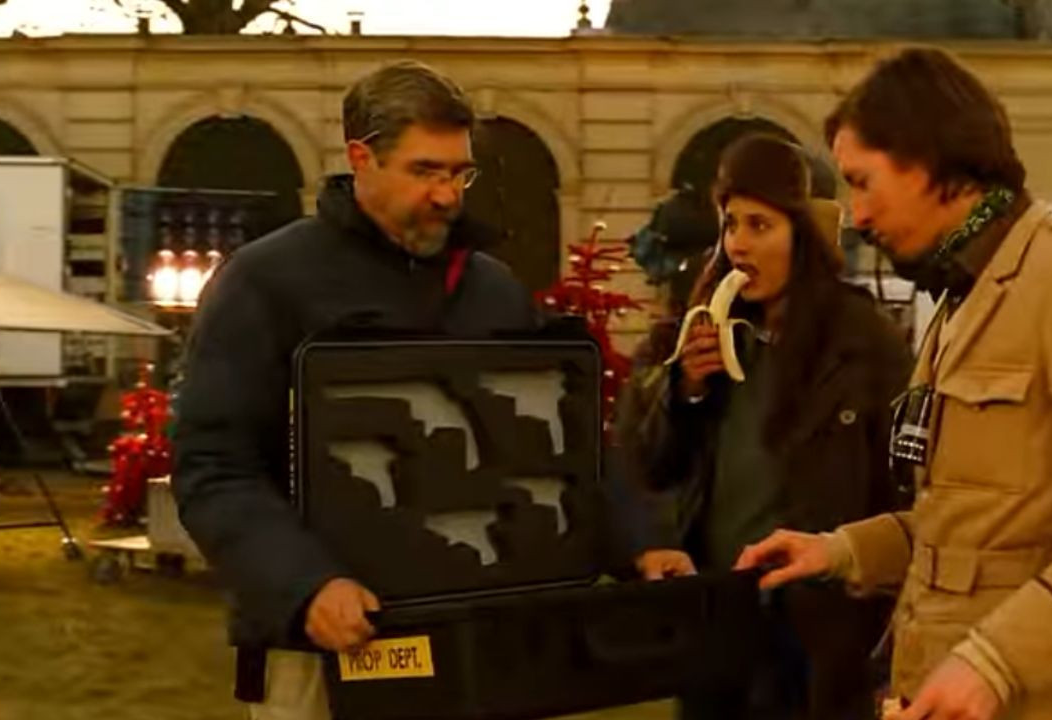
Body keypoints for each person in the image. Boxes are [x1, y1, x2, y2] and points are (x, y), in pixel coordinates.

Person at [736, 47, 1052, 720]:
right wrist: (840, 550)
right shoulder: (963, 297)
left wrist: (995, 661)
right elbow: (967, 529)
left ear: (931, 162)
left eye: (863, 182)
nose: (856, 215)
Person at [171, 60, 536, 720]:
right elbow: (214, 465)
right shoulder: (264, 282)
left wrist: (638, 543)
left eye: (460, 173)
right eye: (425, 171)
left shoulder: (493, 290)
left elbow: (547, 443)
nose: (448, 196)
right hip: (319, 645)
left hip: (472, 635)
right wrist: (305, 585)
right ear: (361, 158)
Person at [622, 134, 912, 720]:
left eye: (760, 225)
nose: (738, 244)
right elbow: (644, 466)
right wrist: (685, 391)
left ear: (804, 234)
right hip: (721, 621)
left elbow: (904, 492)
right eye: (731, 224)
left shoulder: (864, 344)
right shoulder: (693, 337)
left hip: (825, 631)